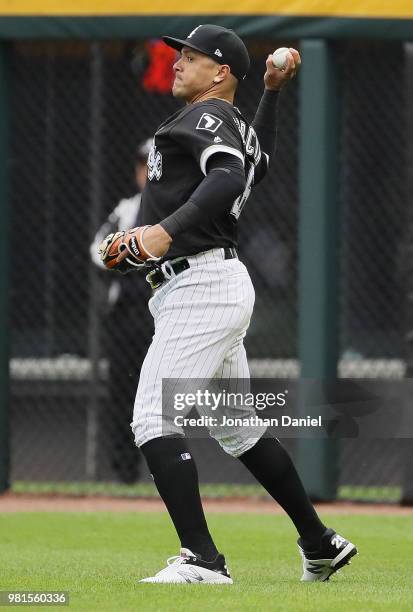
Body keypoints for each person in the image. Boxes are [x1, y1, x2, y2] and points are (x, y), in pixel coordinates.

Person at [98, 25, 357, 583]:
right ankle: (320, 541)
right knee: (237, 428)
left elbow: (231, 173)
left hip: (198, 285)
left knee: (153, 419)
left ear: (220, 73)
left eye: (190, 58)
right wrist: (274, 90)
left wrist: (164, 231)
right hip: (202, 286)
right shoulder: (225, 121)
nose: (177, 63)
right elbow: (257, 161)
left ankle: (204, 560)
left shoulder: (205, 118)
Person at [90, 139, 153, 483]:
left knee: (166, 392)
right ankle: (125, 471)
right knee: (123, 390)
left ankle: (170, 469)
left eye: (153, 164)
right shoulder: (127, 209)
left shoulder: (179, 206)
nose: (146, 172)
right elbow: (96, 250)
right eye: (142, 165)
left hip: (165, 313)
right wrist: (126, 254)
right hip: (129, 311)